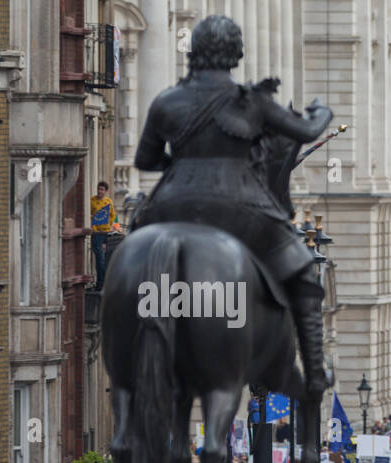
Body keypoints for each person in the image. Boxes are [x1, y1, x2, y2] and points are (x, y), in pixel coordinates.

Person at [132, 14, 334, 396]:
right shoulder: (252, 101)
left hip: (170, 207)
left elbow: (145, 161)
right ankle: (314, 372)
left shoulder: (166, 101)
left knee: (132, 253)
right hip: (240, 209)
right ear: (236, 53)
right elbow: (307, 132)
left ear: (194, 51)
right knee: (305, 273)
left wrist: (182, 164)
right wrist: (322, 111)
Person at [88, 180, 118, 289]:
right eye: (98, 189)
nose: (99, 191)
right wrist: (94, 228)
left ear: (106, 191)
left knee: (105, 260)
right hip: (96, 234)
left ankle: (103, 283)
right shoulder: (92, 201)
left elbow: (112, 215)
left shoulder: (108, 202)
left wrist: (110, 227)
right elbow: (89, 215)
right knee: (100, 259)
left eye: (102, 189)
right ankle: (101, 284)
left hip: (106, 233)